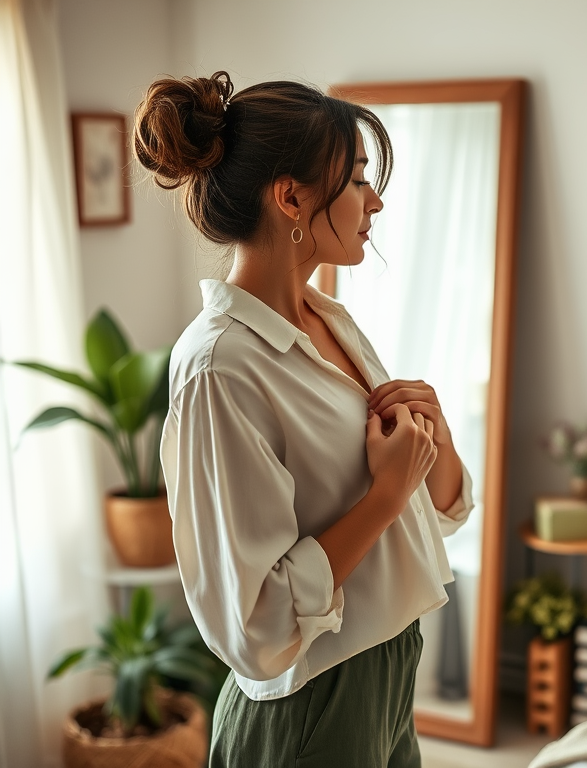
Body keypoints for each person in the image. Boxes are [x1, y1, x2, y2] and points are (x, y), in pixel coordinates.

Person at [133, 70, 473, 768]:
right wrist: (384, 494)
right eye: (356, 181)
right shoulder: (218, 368)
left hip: (387, 677)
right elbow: (254, 628)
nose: (374, 201)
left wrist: (433, 439)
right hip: (312, 707)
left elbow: (435, 514)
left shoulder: (327, 320)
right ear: (290, 196)